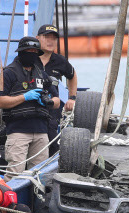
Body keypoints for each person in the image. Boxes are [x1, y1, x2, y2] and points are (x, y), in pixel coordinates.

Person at [0, 37, 60, 181]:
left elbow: (57, 101)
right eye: (28, 51)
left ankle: (34, 202)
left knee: (39, 175)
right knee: (14, 174)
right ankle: (9, 201)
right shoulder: (8, 74)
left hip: (41, 132)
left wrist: (48, 103)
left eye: (34, 51)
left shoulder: (42, 75)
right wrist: (25, 97)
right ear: (20, 52)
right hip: (18, 132)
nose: (31, 54)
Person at [37, 24, 78, 156]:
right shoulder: (29, 58)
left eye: (54, 38)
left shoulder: (60, 61)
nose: (50, 41)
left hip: (52, 111)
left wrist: (72, 98)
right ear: (38, 38)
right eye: (46, 37)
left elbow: (72, 75)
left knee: (52, 145)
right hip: (30, 110)